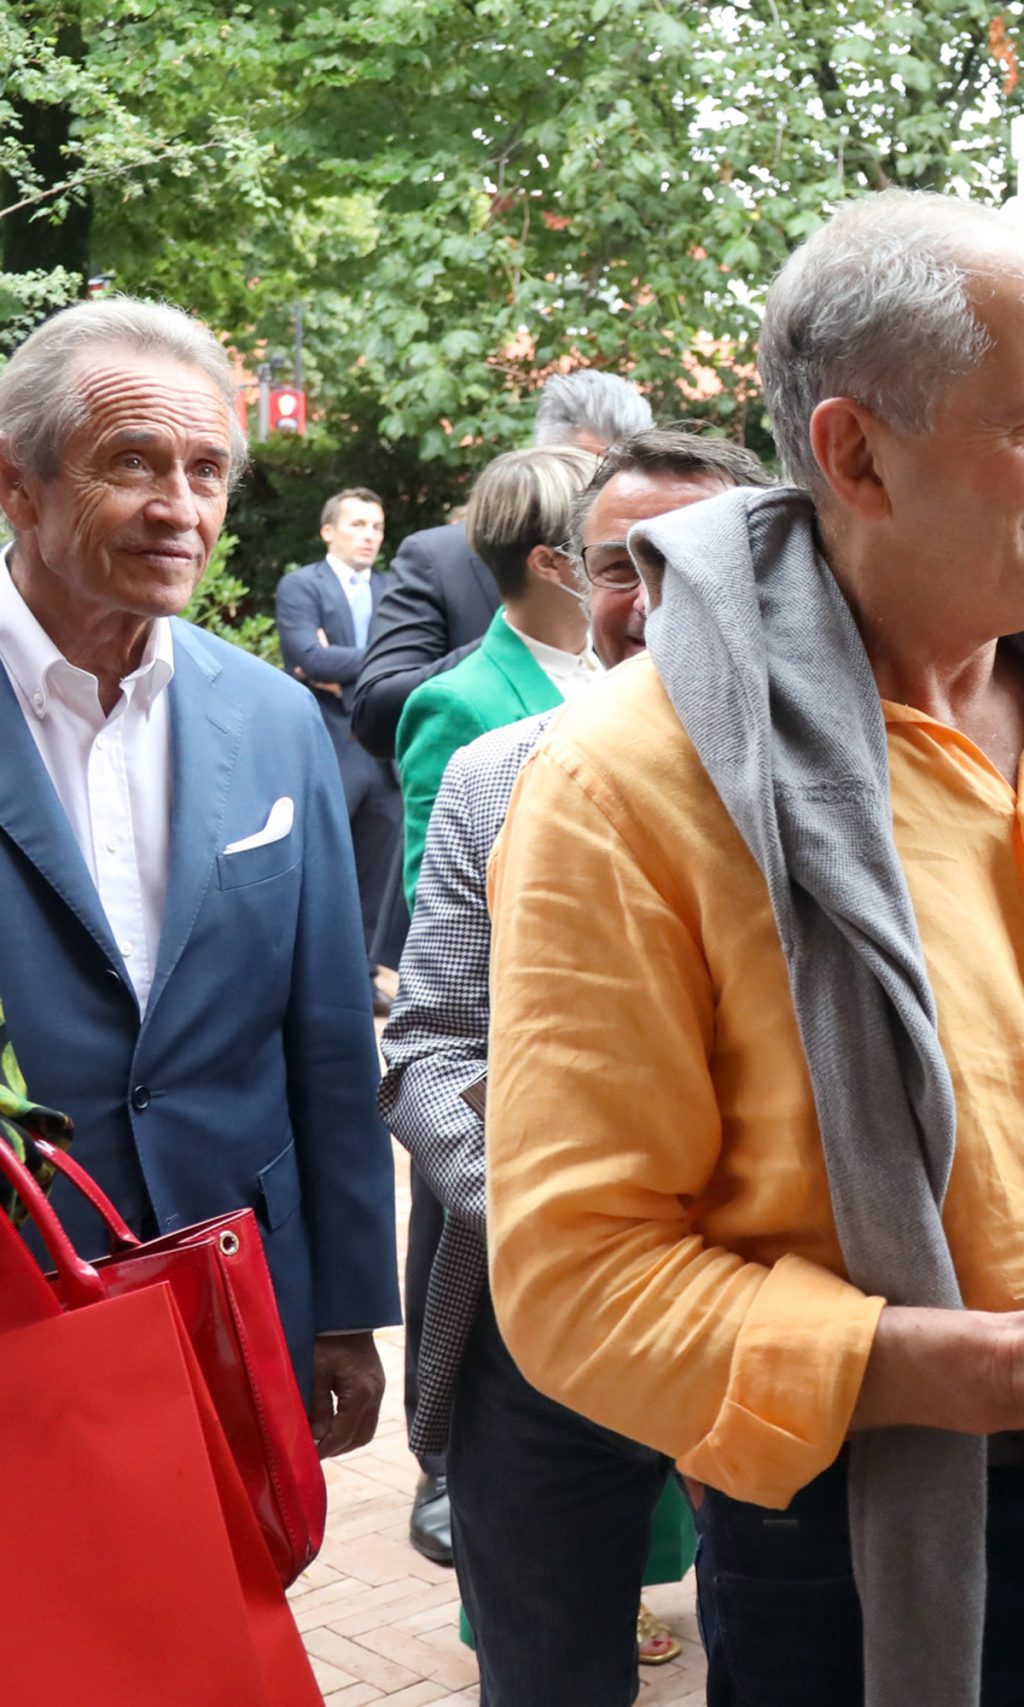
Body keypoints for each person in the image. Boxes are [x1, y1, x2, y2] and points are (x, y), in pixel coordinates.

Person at [481, 191, 1024, 1707]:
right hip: (860, 1565)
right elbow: (576, 1280)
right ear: (857, 454)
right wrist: (1000, 1369)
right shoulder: (629, 782)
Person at [382, 428, 773, 1703]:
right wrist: (556, 1222)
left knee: (794, 1650)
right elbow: (430, 1045)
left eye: (695, 561)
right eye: (619, 567)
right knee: (547, 1669)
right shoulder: (495, 777)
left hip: (781, 1315)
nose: (651, 600)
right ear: (576, 580)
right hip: (537, 1323)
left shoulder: (846, 784)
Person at [0, 298, 399, 1449]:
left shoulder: (274, 721)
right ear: (18, 485)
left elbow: (329, 1034)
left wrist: (345, 1306)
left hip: (236, 1291)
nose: (180, 509)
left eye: (207, 470)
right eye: (132, 463)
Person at [350, 367, 646, 1563]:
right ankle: (450, 1481)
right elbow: (445, 888)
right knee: (457, 1263)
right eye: (608, 555)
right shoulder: (466, 705)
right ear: (553, 562)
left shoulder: (619, 676)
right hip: (506, 1057)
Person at [348, 370, 651, 759]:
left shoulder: (646, 553)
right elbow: (374, 712)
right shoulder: (438, 557)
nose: (609, 496)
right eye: (594, 474)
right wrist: (523, 641)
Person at [392, 445, 601, 906]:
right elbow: (441, 903)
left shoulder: (623, 664)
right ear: (548, 563)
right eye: (605, 545)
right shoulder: (454, 704)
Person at [273, 488, 403, 1009]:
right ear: (328, 531)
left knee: (378, 868)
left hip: (383, 749)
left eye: (376, 526)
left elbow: (412, 657)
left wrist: (341, 667)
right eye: (357, 524)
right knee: (321, 858)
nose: (369, 535)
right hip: (327, 741)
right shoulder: (302, 585)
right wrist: (377, 662)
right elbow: (308, 657)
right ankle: (307, 974)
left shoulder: (394, 589)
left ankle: (362, 977)